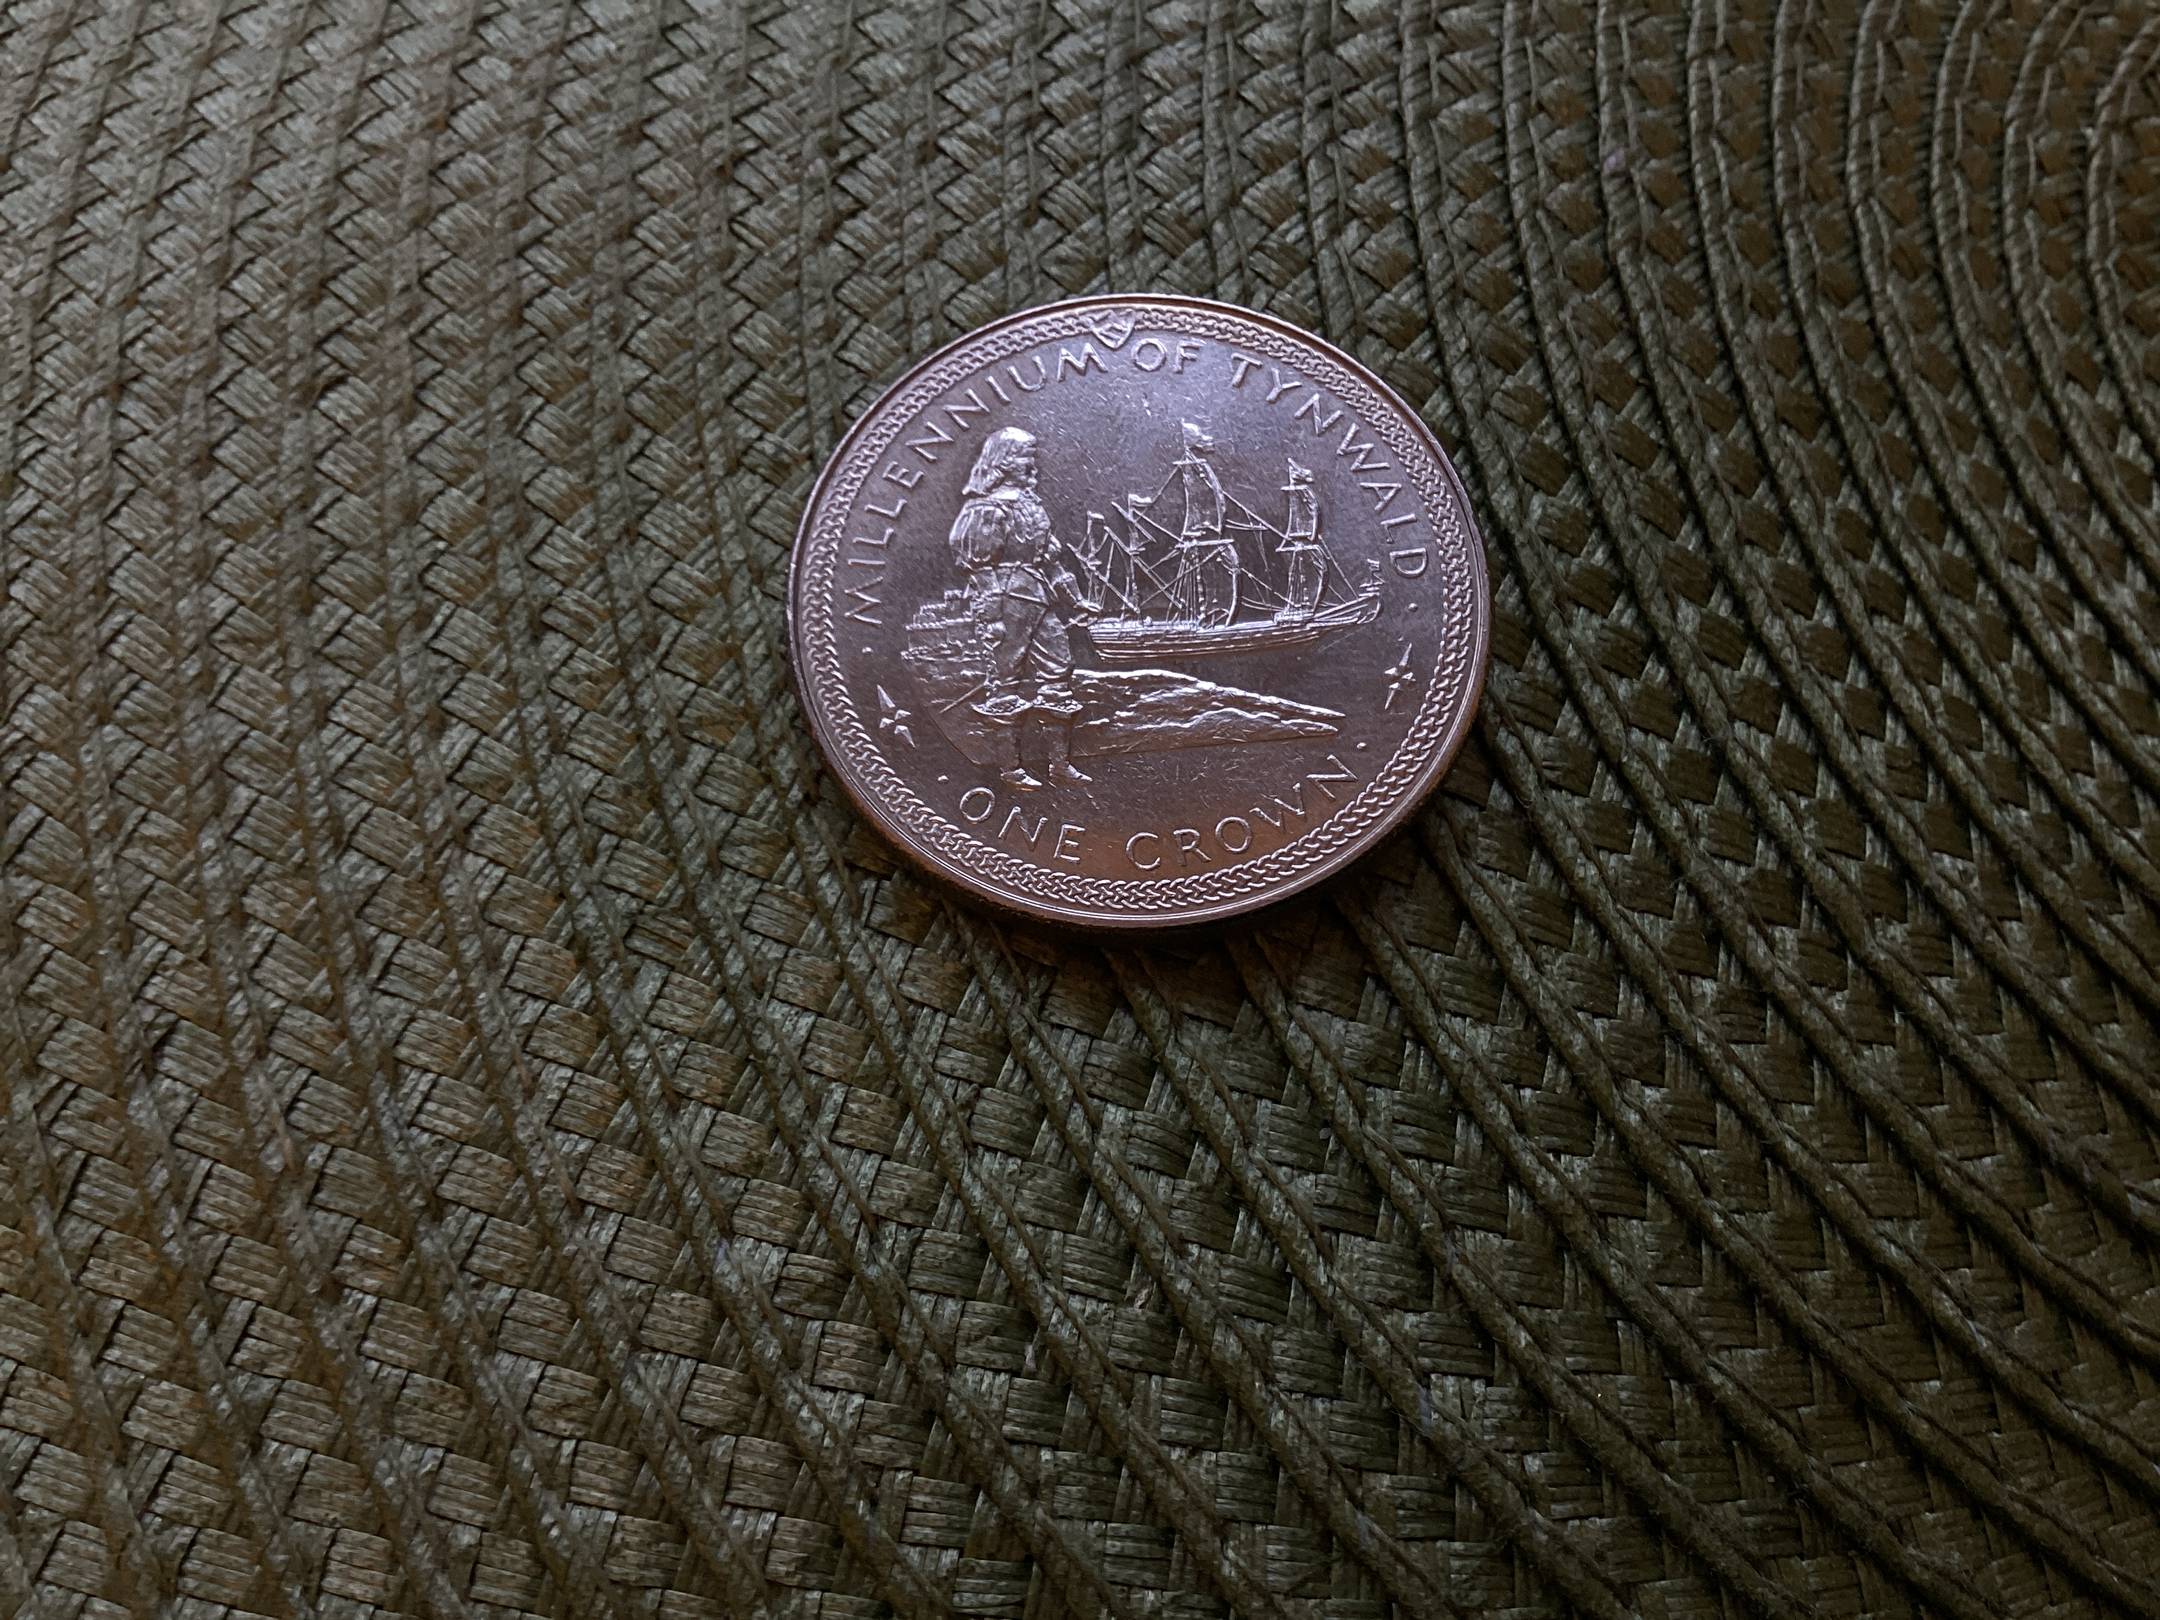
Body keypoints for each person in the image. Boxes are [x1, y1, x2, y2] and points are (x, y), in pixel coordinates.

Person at [949, 426, 1094, 789]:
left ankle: (1059, 765)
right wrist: (992, 616)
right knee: (1004, 679)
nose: (1033, 464)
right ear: (1006, 461)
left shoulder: (1030, 505)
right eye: (1026, 456)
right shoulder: (985, 508)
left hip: (1039, 598)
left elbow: (1050, 561)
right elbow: (979, 569)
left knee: (1059, 668)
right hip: (1006, 601)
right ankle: (1011, 770)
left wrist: (1075, 600)